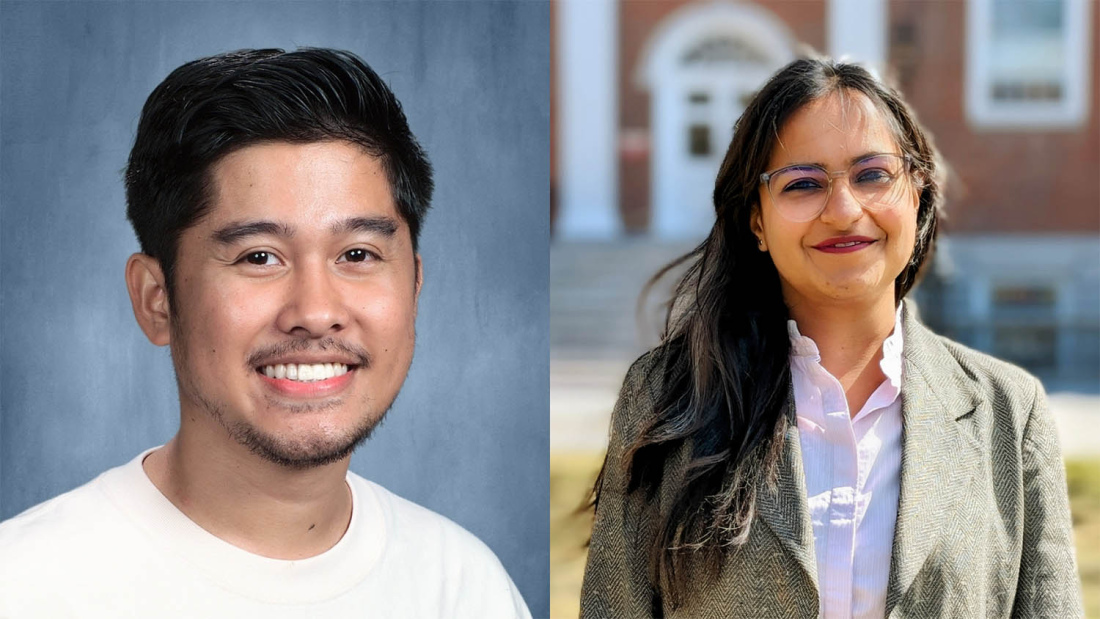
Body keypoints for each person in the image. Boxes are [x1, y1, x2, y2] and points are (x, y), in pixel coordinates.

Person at [0, 48, 530, 618]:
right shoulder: (27, 585)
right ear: (157, 300)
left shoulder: (463, 586)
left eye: (357, 253)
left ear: (415, 288)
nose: (316, 311)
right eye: (259, 257)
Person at [580, 57, 1082, 618]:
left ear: (917, 194)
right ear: (757, 222)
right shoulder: (668, 397)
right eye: (803, 184)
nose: (844, 211)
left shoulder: (1010, 415)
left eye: (872, 175)